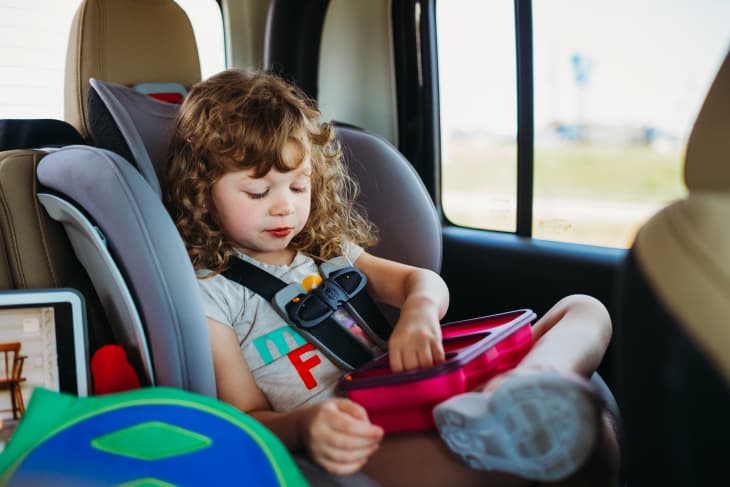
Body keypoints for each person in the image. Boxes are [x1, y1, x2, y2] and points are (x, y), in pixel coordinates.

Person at [164, 68, 619, 487]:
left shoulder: (327, 251)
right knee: (571, 455)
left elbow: (419, 283)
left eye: (298, 186)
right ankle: (508, 418)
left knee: (584, 308)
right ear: (203, 193)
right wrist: (304, 428)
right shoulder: (213, 293)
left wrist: (418, 314)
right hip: (361, 431)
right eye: (258, 191)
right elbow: (244, 416)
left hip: (422, 388)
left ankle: (528, 385)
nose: (284, 206)